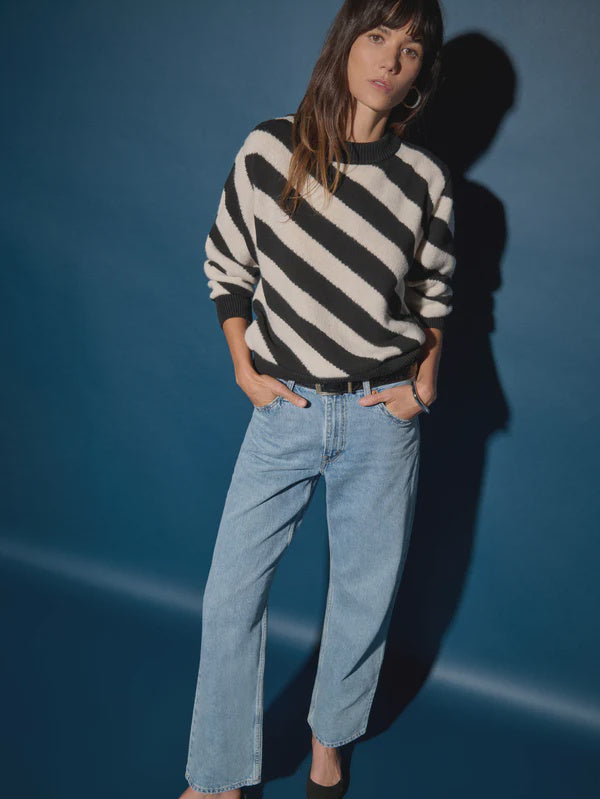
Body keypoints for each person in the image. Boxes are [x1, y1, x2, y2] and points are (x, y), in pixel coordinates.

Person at [180, 1, 455, 797]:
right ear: (346, 42)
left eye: (410, 49)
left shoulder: (423, 180)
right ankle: (221, 775)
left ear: (417, 74)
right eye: (377, 36)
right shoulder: (272, 148)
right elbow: (227, 265)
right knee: (230, 594)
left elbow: (434, 293)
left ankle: (330, 738)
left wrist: (425, 383)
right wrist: (243, 365)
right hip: (286, 410)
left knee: (364, 596)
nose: (390, 60)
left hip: (379, 419)